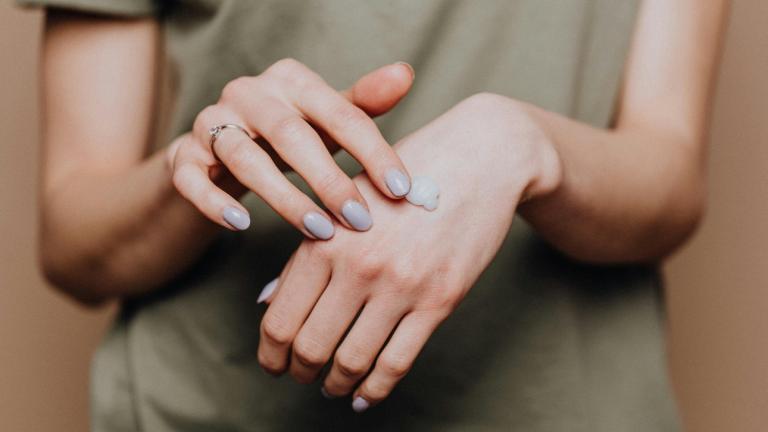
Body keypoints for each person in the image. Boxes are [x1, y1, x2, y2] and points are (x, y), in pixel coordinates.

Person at [21, 0, 727, 430]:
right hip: (204, 408)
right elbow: (73, 245)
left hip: (562, 410)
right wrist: (209, 171)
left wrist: (522, 146)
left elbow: (668, 183)